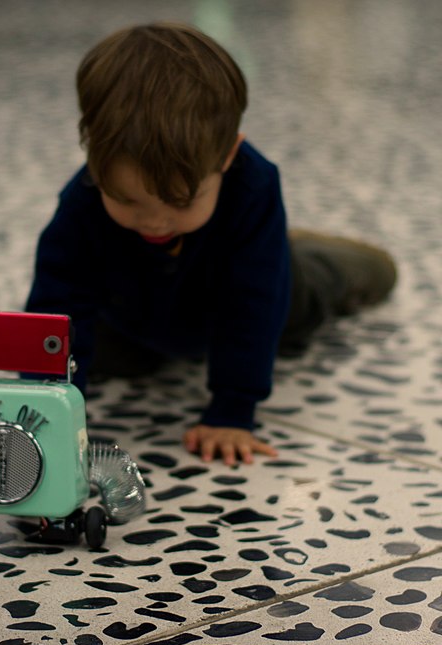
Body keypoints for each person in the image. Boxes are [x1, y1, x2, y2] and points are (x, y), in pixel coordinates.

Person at [25, 22, 397, 466]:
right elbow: (56, 309)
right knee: (105, 351)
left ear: (227, 157)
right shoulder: (82, 202)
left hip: (249, 283)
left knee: (293, 306)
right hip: (138, 306)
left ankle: (322, 258)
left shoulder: (252, 187)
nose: (155, 220)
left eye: (179, 202)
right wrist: (38, 416)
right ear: (93, 157)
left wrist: (233, 409)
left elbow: (252, 308)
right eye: (126, 199)